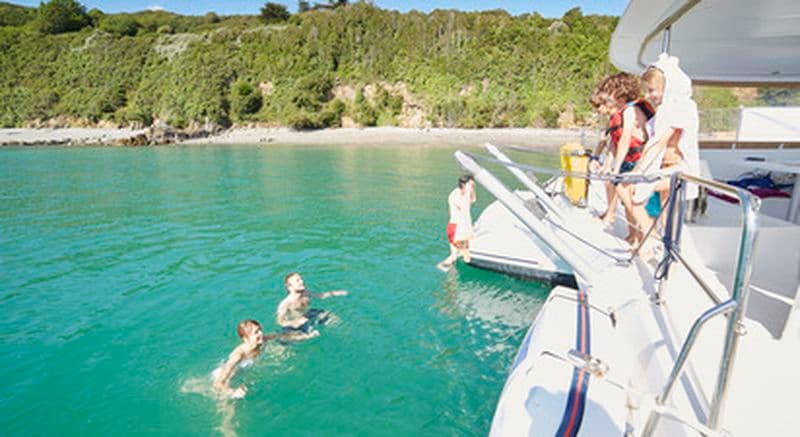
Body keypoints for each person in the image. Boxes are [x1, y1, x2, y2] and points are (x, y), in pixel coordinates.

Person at [627, 54, 700, 254]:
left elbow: (659, 142)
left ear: (667, 87)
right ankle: (664, 249)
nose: (648, 95)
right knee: (666, 214)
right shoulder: (665, 111)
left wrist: (638, 172)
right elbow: (652, 142)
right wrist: (638, 168)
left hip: (679, 170)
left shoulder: (681, 108)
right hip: (666, 169)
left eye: (651, 90)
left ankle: (652, 240)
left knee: (629, 190)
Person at [595, 73, 655, 244]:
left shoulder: (630, 110)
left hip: (638, 160)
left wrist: (616, 168)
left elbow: (626, 138)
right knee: (626, 197)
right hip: (630, 160)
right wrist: (610, 165)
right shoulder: (623, 111)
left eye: (610, 93)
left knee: (633, 198)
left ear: (620, 93)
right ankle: (633, 234)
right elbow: (615, 142)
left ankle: (643, 237)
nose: (608, 98)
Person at [213, 319, 275, 399]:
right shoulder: (238, 356)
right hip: (228, 377)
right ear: (246, 339)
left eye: (260, 329)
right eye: (256, 332)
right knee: (228, 402)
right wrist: (232, 392)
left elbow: (280, 336)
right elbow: (218, 383)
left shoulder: (262, 340)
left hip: (239, 375)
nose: (261, 333)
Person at [276, 272, 347, 339]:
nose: (302, 281)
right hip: (296, 323)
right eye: (297, 280)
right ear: (289, 286)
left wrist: (335, 293)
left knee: (330, 316)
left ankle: (345, 333)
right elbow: (280, 321)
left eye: (301, 279)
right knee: (299, 337)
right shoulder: (286, 303)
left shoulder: (306, 293)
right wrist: (294, 322)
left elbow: (321, 296)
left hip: (308, 314)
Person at [436, 174, 476, 272]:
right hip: (456, 229)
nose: (472, 187)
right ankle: (441, 267)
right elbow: (463, 207)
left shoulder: (465, 193)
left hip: (459, 228)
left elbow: (473, 200)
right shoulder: (455, 195)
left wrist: (471, 190)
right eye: (470, 185)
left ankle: (448, 274)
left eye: (473, 185)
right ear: (464, 185)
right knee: (465, 257)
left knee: (455, 256)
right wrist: (468, 192)